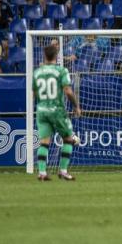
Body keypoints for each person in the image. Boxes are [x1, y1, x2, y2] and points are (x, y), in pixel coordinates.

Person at [33, 44, 81, 181]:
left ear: (44, 56)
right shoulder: (62, 71)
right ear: (56, 56)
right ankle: (63, 171)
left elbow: (35, 92)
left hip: (41, 111)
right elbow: (68, 91)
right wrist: (76, 106)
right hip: (57, 110)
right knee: (69, 139)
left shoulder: (37, 72)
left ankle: (42, 172)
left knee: (44, 142)